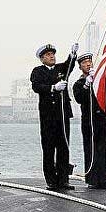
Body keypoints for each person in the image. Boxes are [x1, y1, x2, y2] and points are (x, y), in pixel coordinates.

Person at [29, 42, 79, 191]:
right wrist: (53, 88)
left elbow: (69, 65)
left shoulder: (60, 69)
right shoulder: (38, 71)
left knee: (64, 147)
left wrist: (73, 54)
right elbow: (36, 86)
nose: (52, 57)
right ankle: (51, 180)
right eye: (48, 55)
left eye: (53, 54)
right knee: (49, 148)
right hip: (48, 116)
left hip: (62, 114)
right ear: (42, 58)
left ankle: (63, 180)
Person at [72, 52, 106, 189]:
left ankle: (103, 179)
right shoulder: (79, 84)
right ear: (80, 67)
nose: (88, 64)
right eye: (84, 63)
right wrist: (87, 84)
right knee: (90, 149)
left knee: (103, 149)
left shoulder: (100, 81)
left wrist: (97, 79)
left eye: (89, 62)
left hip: (102, 118)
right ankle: (92, 180)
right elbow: (80, 99)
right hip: (89, 120)